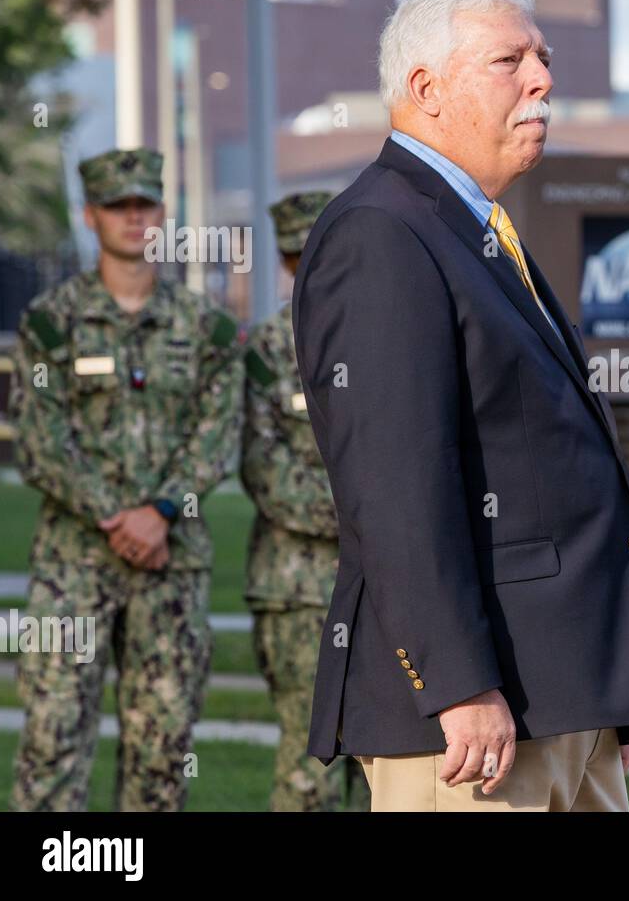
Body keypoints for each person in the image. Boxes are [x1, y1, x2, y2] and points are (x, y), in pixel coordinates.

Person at [292, 0, 629, 812]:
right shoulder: (382, 233)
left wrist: (599, 704)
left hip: (561, 693)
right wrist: (459, 685)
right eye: (511, 60)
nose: (542, 78)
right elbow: (395, 486)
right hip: (474, 719)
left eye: (543, 57)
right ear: (426, 88)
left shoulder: (472, 225)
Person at [9, 147, 244, 810]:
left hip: (172, 565)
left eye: (144, 205)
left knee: (164, 752)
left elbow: (217, 434)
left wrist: (163, 510)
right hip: (73, 563)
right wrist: (122, 516)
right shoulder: (51, 324)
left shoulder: (208, 329)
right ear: (91, 216)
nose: (133, 217)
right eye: (118, 206)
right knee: (53, 742)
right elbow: (38, 439)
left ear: (164, 214)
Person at [241, 191, 371, 810]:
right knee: (309, 760)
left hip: (381, 586)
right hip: (297, 591)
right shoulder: (267, 351)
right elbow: (263, 469)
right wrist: (364, 516)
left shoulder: (387, 339)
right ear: (287, 261)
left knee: (385, 764)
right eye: (298, 253)